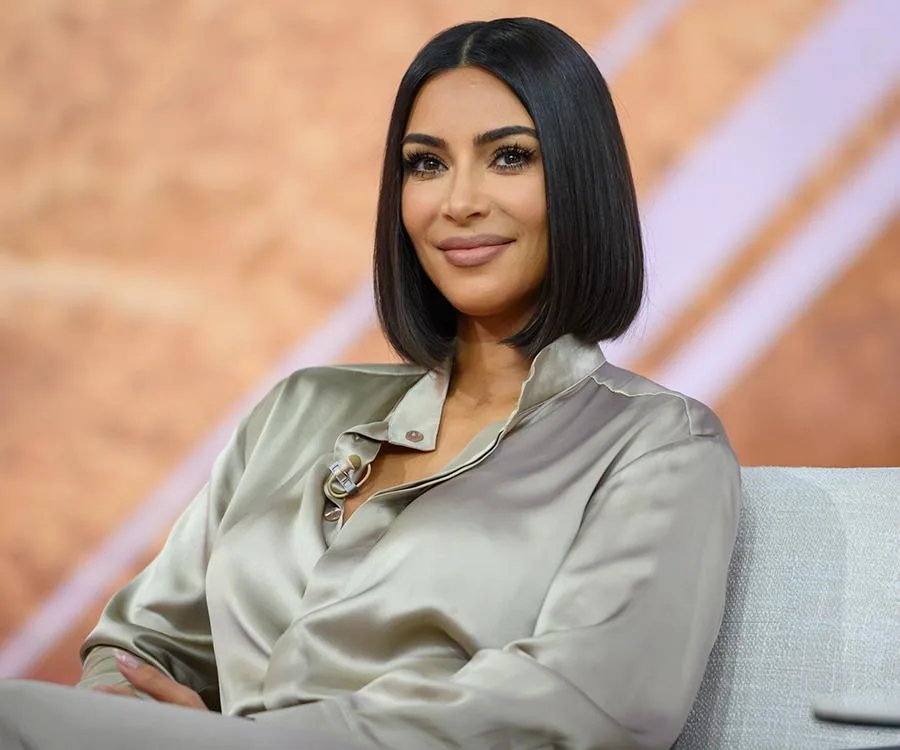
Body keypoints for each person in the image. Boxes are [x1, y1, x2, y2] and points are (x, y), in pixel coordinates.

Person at [0, 16, 740, 750]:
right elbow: (140, 646)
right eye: (426, 164)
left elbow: (583, 705)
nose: (458, 202)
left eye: (509, 158)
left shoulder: (660, 446)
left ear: (582, 182)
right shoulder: (301, 408)